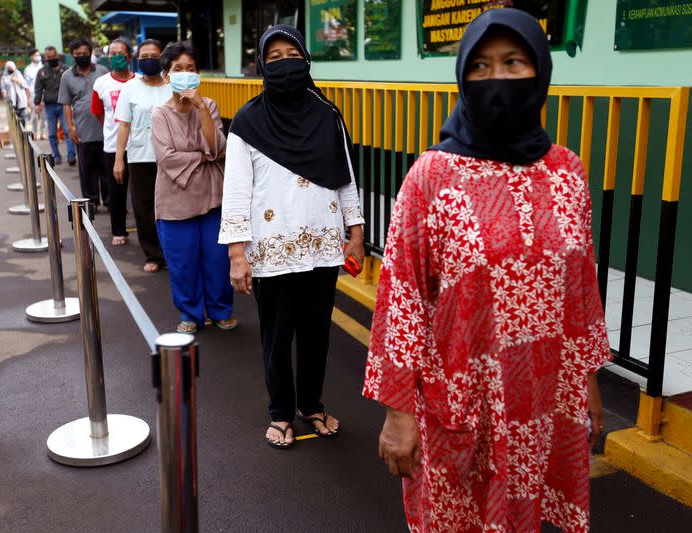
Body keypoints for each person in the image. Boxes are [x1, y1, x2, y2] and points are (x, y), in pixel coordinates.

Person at [364, 9, 611, 533]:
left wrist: (589, 381)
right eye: (480, 66)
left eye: (513, 62)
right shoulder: (433, 175)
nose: (496, 77)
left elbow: (581, 287)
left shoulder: (566, 172)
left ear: (539, 72)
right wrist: (398, 410)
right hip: (464, 400)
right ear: (461, 77)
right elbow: (402, 297)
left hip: (545, 399)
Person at [220, 25, 365, 449]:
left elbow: (346, 178)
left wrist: (355, 233)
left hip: (322, 245)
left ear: (306, 59)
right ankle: (281, 413)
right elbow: (236, 192)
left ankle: (311, 404)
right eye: (275, 57)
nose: (285, 63)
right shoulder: (247, 121)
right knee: (277, 336)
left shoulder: (327, 115)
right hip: (273, 248)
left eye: (292, 54)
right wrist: (236, 253)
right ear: (262, 65)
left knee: (317, 332)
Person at [151, 41, 236, 334]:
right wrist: (203, 157)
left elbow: (217, 147)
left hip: (212, 198)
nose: (185, 74)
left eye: (190, 68)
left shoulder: (208, 106)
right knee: (183, 264)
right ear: (166, 76)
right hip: (175, 202)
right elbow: (167, 158)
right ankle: (190, 314)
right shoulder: (159, 114)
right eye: (178, 69)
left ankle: (220, 311)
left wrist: (200, 108)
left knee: (217, 262)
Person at [113, 39, 172, 273]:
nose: (149, 60)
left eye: (154, 56)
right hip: (140, 156)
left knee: (172, 206)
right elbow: (124, 126)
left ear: (163, 59)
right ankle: (153, 255)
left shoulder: (172, 86)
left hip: (171, 156)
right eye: (144, 56)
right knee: (144, 207)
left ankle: (172, 251)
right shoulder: (131, 87)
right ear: (137, 59)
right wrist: (119, 159)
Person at [91, 39, 135, 246]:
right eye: (112, 53)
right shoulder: (101, 83)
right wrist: (113, 130)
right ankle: (119, 230)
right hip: (112, 146)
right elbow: (99, 113)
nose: (116, 56)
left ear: (129, 56)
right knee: (116, 192)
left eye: (120, 53)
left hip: (141, 147)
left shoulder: (141, 80)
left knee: (142, 193)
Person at [59, 38, 110, 209]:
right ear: (72, 55)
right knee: (87, 169)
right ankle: (92, 202)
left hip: (105, 128)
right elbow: (66, 104)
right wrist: (70, 127)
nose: (82, 56)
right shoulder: (67, 76)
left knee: (106, 167)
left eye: (85, 53)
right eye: (78, 54)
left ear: (90, 52)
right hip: (82, 129)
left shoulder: (103, 71)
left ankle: (110, 201)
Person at [33, 45, 75, 165]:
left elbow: (71, 86)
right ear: (45, 57)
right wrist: (37, 103)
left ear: (57, 56)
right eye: (48, 57)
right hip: (49, 105)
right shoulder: (42, 72)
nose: (51, 58)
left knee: (68, 130)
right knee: (52, 133)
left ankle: (71, 155)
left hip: (64, 105)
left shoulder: (66, 69)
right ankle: (56, 156)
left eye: (53, 56)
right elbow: (38, 89)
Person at [23, 48, 47, 139]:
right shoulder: (28, 69)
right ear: (31, 57)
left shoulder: (44, 67)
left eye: (38, 55)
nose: (38, 57)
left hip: (44, 93)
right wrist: (28, 98)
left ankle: (43, 133)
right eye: (36, 55)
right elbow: (26, 85)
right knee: (34, 115)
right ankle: (34, 132)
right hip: (33, 94)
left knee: (44, 115)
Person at [0, 60, 30, 126]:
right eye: (8, 67)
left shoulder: (18, 74)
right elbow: (3, 87)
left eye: (11, 67)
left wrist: (17, 81)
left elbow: (26, 85)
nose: (10, 69)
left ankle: (23, 130)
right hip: (11, 101)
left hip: (21, 100)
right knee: (14, 118)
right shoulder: (4, 77)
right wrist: (4, 93)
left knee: (22, 117)